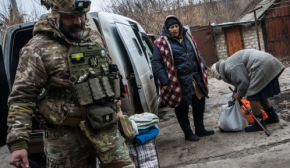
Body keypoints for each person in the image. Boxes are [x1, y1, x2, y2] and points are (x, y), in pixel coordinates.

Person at [7, 0, 135, 168]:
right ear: (56, 14)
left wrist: (120, 113)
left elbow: (109, 79)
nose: (78, 22)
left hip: (104, 126)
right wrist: (18, 143)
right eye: (70, 17)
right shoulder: (37, 49)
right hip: (65, 137)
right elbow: (22, 98)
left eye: (81, 16)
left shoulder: (94, 38)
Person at [152, 15, 214, 141]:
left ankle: (200, 129)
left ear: (180, 26)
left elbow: (197, 52)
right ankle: (188, 133)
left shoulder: (188, 37)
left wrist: (203, 65)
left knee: (199, 104)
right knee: (182, 108)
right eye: (171, 27)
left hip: (194, 78)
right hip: (177, 81)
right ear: (167, 29)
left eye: (176, 26)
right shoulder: (161, 43)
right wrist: (165, 80)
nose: (174, 29)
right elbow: (156, 63)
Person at [211, 49, 285, 132]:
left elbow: (244, 83)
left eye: (220, 78)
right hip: (267, 61)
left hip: (261, 65)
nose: (222, 79)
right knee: (259, 93)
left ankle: (258, 124)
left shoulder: (230, 68)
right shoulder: (229, 64)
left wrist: (238, 94)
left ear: (219, 73)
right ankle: (272, 117)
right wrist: (236, 95)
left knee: (252, 95)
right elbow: (240, 82)